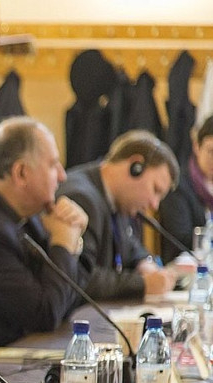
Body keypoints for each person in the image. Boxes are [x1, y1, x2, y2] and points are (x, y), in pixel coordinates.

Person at [0, 117, 89, 357]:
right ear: (21, 172)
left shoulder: (27, 214)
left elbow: (75, 297)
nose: (62, 176)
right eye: (53, 165)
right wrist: (63, 245)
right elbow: (45, 314)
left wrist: (74, 240)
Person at [58, 129, 179, 299]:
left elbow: (131, 247)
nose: (154, 204)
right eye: (155, 190)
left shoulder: (119, 201)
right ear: (136, 167)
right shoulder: (81, 198)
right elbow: (81, 278)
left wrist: (145, 263)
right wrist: (143, 284)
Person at [159, 114, 213, 263]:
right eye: (211, 152)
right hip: (185, 268)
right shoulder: (177, 185)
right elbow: (180, 238)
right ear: (196, 146)